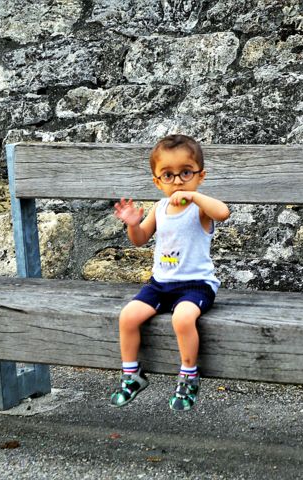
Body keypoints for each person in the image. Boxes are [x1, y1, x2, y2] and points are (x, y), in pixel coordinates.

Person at [110, 134, 230, 411]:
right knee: (128, 316)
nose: (177, 181)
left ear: (200, 176)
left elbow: (223, 213)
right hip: (161, 284)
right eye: (168, 175)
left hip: (195, 285)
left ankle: (189, 375)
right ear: (157, 181)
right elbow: (140, 238)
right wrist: (132, 223)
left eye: (186, 173)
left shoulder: (200, 209)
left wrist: (194, 196)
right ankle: (132, 375)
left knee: (183, 318)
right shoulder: (160, 208)